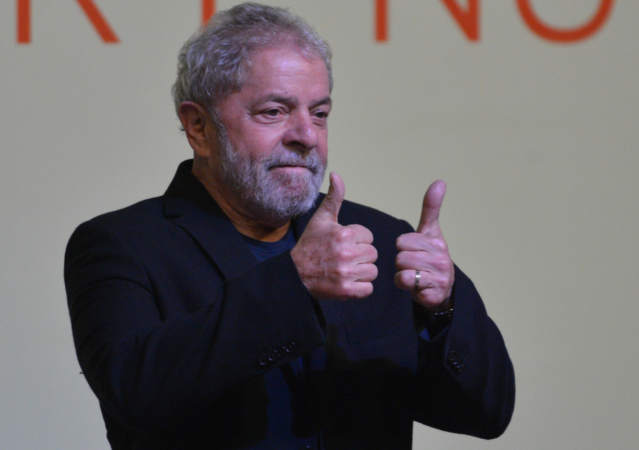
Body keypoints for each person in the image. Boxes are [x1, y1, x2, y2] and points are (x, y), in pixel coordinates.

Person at [64, 3, 515, 449]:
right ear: (198, 126)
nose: (307, 136)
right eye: (274, 111)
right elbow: (135, 395)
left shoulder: (377, 241)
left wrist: (443, 311)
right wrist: (293, 285)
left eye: (319, 113)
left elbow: (486, 413)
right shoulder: (120, 246)